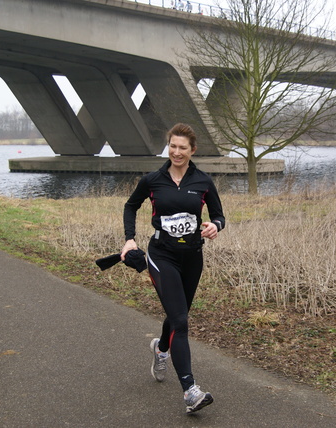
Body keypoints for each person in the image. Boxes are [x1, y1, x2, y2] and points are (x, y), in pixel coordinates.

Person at [121, 123, 225, 414]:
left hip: (192, 257)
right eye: (173, 146)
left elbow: (219, 216)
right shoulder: (153, 180)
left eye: (182, 147)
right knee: (180, 321)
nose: (176, 152)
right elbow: (131, 206)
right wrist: (130, 239)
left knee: (178, 314)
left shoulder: (203, 182)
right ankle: (191, 391)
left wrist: (214, 226)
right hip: (161, 255)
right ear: (168, 146)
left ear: (192, 150)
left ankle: (161, 349)